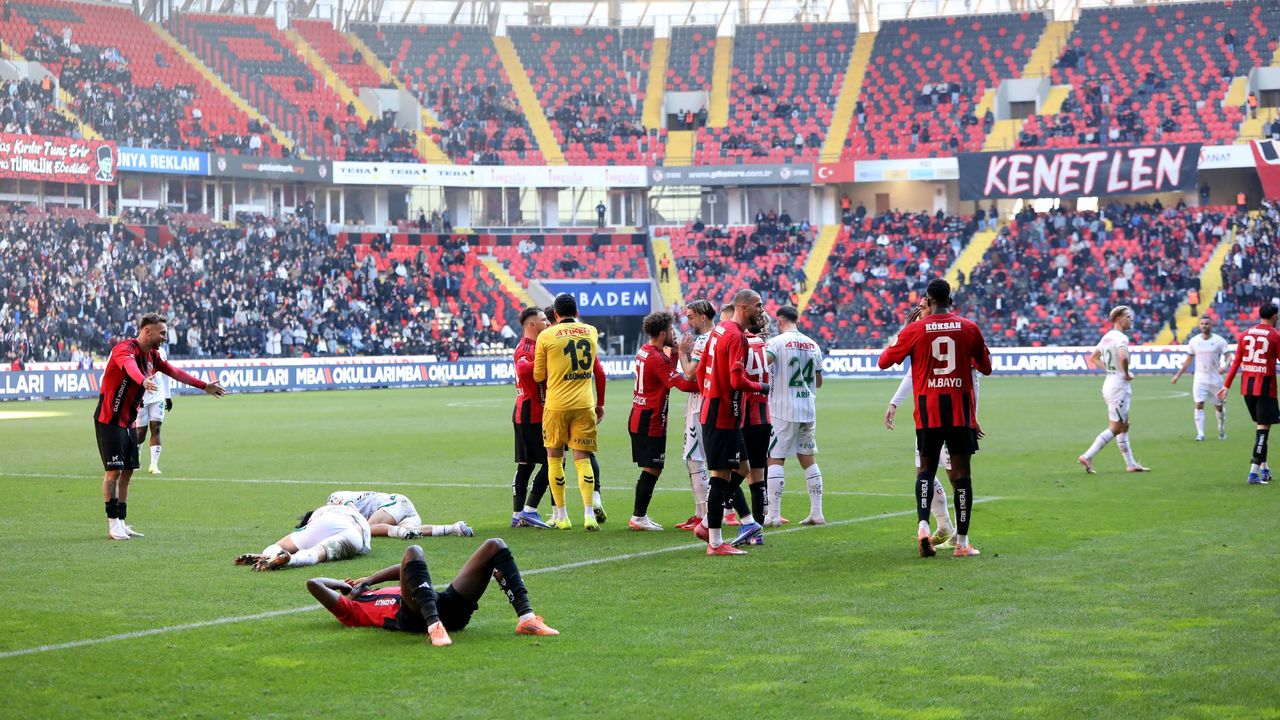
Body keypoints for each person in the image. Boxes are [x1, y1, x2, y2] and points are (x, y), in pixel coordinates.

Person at [878, 278, 991, 558]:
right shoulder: (969, 327)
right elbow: (986, 367)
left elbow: (883, 361)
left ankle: (923, 526)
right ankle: (961, 543)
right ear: (950, 300)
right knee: (962, 478)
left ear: (927, 300)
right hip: (960, 414)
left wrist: (906, 330)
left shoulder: (915, 329)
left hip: (928, 415)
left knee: (925, 472)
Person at [95, 313, 225, 540]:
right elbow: (129, 366)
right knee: (113, 472)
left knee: (127, 472)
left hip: (129, 421)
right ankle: (112, 524)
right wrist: (142, 380)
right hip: (110, 420)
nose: (165, 337)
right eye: (162, 333)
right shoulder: (125, 349)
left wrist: (203, 385)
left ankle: (122, 522)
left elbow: (174, 372)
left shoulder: (153, 356)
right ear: (147, 331)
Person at [306, 541, 558, 647]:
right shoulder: (350, 611)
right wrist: (343, 587)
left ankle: (527, 619)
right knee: (413, 550)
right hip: (412, 618)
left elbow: (403, 567)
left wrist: (369, 580)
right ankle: (435, 628)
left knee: (495, 545)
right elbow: (314, 583)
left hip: (441, 606)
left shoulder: (377, 590)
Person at [694, 289, 769, 555]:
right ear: (744, 307)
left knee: (743, 467)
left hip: (721, 409)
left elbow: (701, 369)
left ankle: (707, 522)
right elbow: (737, 380)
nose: (762, 310)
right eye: (758, 305)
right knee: (721, 476)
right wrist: (760, 387)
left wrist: (709, 391)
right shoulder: (736, 336)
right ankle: (714, 542)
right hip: (722, 412)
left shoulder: (720, 330)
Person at [534, 294, 605, 530]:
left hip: (556, 405)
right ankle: (589, 514)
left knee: (554, 459)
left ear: (555, 314)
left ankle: (562, 516)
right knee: (583, 459)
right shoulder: (591, 331)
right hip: (584, 404)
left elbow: (538, 375)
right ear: (577, 311)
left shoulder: (546, 336)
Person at [628, 311, 698, 531]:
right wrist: (711, 385)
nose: (673, 333)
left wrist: (676, 353)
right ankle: (638, 517)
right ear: (661, 333)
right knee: (653, 468)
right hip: (650, 419)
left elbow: (667, 370)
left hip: (640, 415)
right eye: (670, 330)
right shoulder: (657, 358)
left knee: (652, 467)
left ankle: (639, 516)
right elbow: (683, 384)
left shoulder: (647, 350)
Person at [764, 305, 825, 527]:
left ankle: (773, 515)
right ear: (797, 321)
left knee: (775, 457)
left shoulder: (775, 343)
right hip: (807, 409)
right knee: (808, 458)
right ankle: (817, 513)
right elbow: (819, 381)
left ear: (779, 321)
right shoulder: (813, 344)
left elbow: (762, 365)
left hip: (783, 409)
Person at [1077, 306, 1151, 474]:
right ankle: (1087, 456)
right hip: (1118, 386)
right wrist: (1125, 373)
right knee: (1116, 427)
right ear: (1118, 319)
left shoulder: (1107, 337)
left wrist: (1110, 371)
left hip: (1110, 382)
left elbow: (1093, 358)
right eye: (1128, 317)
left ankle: (1130, 464)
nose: (1131, 319)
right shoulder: (1121, 338)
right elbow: (1124, 357)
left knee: (1124, 425)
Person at [1217, 302, 1280, 485]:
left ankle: (1265, 469)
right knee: (1263, 432)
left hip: (1248, 389)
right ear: (1274, 316)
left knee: (1261, 427)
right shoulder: (1275, 336)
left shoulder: (1245, 334)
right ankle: (1253, 474)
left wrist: (1226, 386)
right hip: (1265, 389)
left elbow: (1236, 362)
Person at [674, 300, 717, 530]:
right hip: (714, 401)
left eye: (690, 316)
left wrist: (682, 353)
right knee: (709, 460)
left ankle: (705, 514)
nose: (688, 321)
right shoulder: (720, 336)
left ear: (702, 316)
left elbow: (690, 374)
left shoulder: (703, 339)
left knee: (695, 458)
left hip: (700, 403)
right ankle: (703, 513)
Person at [511, 307, 554, 529]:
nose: (548, 323)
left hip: (528, 412)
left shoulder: (535, 345)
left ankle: (518, 515)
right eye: (543, 319)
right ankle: (529, 510)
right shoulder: (526, 348)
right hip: (532, 413)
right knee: (553, 461)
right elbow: (523, 369)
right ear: (531, 324)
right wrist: (546, 363)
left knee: (527, 465)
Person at [235, 503, 371, 571]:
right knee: (317, 552)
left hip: (328, 520)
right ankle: (290, 560)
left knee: (280, 545)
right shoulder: (353, 513)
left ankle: (269, 555)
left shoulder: (320, 513)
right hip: (355, 537)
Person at [1171, 316, 1232, 441]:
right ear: (1199, 325)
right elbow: (1188, 360)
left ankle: (1221, 428)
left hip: (1215, 379)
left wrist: (1225, 366)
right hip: (1200, 378)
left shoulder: (1219, 341)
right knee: (1199, 404)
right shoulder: (1194, 341)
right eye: (1202, 324)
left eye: (1206, 324)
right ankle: (1200, 434)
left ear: (1211, 325)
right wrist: (1178, 375)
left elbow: (1229, 357)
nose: (1204, 326)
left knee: (1218, 406)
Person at [327, 491, 472, 539]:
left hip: (394, 504)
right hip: (403, 506)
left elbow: (353, 510)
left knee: (367, 527)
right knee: (413, 531)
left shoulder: (333, 498)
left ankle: (400, 532)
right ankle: (454, 528)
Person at [133, 341, 173, 475]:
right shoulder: (137, 352)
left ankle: (154, 465)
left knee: (156, 428)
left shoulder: (161, 352)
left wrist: (167, 396)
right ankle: (136, 458)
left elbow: (166, 374)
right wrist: (137, 396)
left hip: (157, 396)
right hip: (142, 397)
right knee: (141, 431)